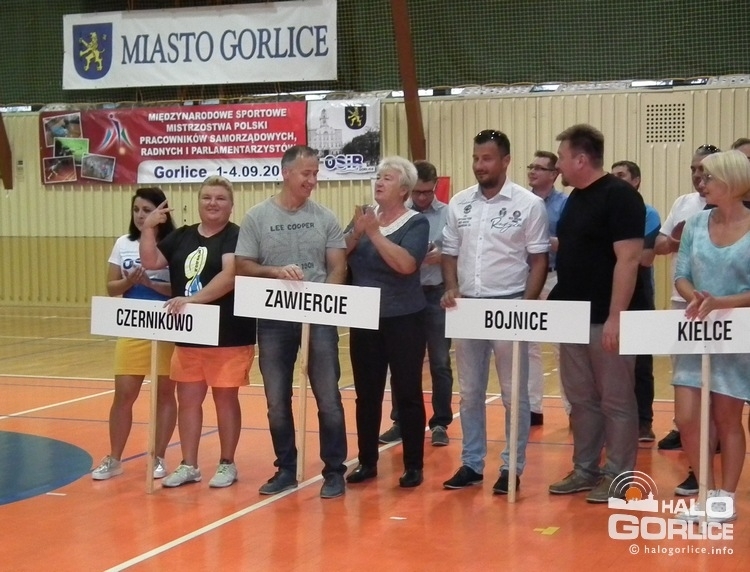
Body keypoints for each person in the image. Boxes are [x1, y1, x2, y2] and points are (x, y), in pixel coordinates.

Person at [235, 145, 348, 499]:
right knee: (276, 400)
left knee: (328, 397)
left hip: (318, 320)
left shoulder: (326, 217)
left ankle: (334, 471)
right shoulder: (257, 217)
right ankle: (285, 468)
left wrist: (325, 302)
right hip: (273, 319)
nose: (312, 180)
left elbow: (338, 266)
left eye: (316, 174)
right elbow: (242, 265)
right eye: (306, 173)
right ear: (286, 173)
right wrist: (274, 272)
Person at [441, 130, 549, 495]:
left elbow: (539, 260)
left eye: (486, 158)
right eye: (476, 158)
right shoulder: (459, 203)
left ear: (505, 161)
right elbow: (449, 253)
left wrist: (526, 307)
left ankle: (511, 467)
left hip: (510, 304)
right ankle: (472, 463)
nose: (479, 165)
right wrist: (451, 287)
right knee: (470, 392)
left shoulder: (529, 204)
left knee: (513, 395)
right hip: (467, 308)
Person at [547, 124, 646, 504]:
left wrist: (616, 317)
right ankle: (585, 470)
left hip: (606, 319)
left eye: (561, 158)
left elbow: (629, 259)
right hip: (572, 316)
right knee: (581, 399)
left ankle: (619, 476)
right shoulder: (575, 198)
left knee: (616, 401)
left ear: (581, 159)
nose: (557, 166)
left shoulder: (620, 197)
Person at [139, 175, 256, 489]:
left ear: (231, 205)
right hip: (189, 335)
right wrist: (148, 228)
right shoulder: (182, 236)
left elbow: (230, 276)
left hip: (228, 334)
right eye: (207, 197)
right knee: (188, 400)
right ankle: (189, 464)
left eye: (220, 198)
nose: (213, 203)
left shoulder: (236, 236)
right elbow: (150, 261)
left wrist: (192, 300)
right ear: (198, 202)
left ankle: (227, 463)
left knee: (225, 400)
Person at [672, 150, 750, 523]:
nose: (701, 184)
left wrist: (722, 302)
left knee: (727, 418)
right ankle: (705, 491)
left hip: (735, 335)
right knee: (686, 417)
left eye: (709, 178)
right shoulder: (695, 224)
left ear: (732, 181)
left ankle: (725, 499)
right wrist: (695, 298)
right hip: (696, 330)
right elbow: (681, 274)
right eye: (700, 177)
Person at [345, 156, 429, 488]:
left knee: (407, 393)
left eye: (387, 178)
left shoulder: (416, 223)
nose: (379, 182)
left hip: (404, 319)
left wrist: (374, 234)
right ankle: (367, 461)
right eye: (378, 177)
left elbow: (406, 264)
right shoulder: (365, 217)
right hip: (363, 317)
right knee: (366, 394)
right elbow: (339, 254)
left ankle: (413, 465)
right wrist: (357, 232)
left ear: (404, 189)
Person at [92, 187, 177, 481]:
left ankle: (158, 457)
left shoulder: (173, 244)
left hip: (166, 324)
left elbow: (179, 289)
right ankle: (114, 458)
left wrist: (152, 285)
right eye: (136, 210)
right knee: (124, 394)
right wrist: (129, 282)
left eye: (147, 210)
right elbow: (111, 287)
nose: (141, 215)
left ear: (161, 213)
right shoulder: (123, 243)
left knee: (165, 395)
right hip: (131, 325)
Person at [653, 144, 721, 496]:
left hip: (724, 310)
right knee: (688, 394)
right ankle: (698, 467)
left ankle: (713, 476)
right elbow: (660, 246)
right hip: (684, 305)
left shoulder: (733, 208)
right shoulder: (683, 204)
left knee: (719, 400)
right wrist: (673, 240)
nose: (698, 176)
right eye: (694, 169)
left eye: (704, 170)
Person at [378, 160, 454, 447]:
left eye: (427, 192)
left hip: (436, 292)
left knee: (440, 362)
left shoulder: (448, 213)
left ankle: (440, 422)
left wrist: (443, 255)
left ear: (435, 186)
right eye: (417, 192)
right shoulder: (398, 214)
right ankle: (401, 421)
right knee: (401, 362)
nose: (422, 197)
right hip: (406, 293)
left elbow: (459, 248)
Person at [611, 160, 661, 442]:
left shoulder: (648, 213)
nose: (616, 180)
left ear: (636, 180)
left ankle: (644, 421)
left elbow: (644, 258)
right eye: (613, 176)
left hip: (640, 294)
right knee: (611, 363)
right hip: (610, 293)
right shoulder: (608, 211)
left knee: (641, 364)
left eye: (621, 175)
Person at [526, 150, 568, 426]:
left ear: (554, 174)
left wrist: (548, 242)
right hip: (526, 276)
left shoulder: (566, 204)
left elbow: (574, 242)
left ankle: (573, 408)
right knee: (527, 345)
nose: (533, 171)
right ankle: (532, 407)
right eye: (531, 166)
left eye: (540, 168)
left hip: (555, 277)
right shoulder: (521, 201)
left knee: (563, 346)